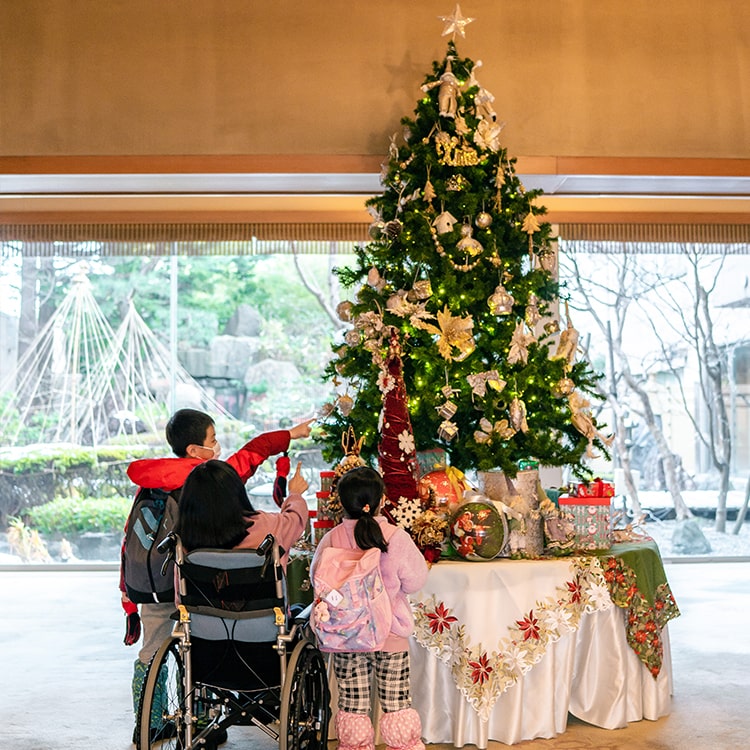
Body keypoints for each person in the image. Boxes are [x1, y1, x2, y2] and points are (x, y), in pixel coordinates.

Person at [120, 408, 313, 745]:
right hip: (258, 641)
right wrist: (295, 493)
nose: (219, 445)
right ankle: (212, 719)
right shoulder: (264, 527)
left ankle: (150, 723)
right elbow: (291, 520)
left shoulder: (177, 524)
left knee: (168, 642)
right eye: (214, 440)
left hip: (180, 603)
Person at [311, 466, 428, 750]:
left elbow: (318, 580)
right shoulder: (396, 537)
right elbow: (415, 582)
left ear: (341, 502)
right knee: (396, 703)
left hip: (346, 636)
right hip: (389, 633)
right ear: (382, 500)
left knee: (353, 705)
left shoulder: (332, 538)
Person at [175, 458, 308, 564]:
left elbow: (181, 593)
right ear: (237, 493)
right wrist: (295, 493)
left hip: (201, 599)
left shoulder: (183, 540)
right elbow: (296, 518)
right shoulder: (269, 527)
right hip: (262, 598)